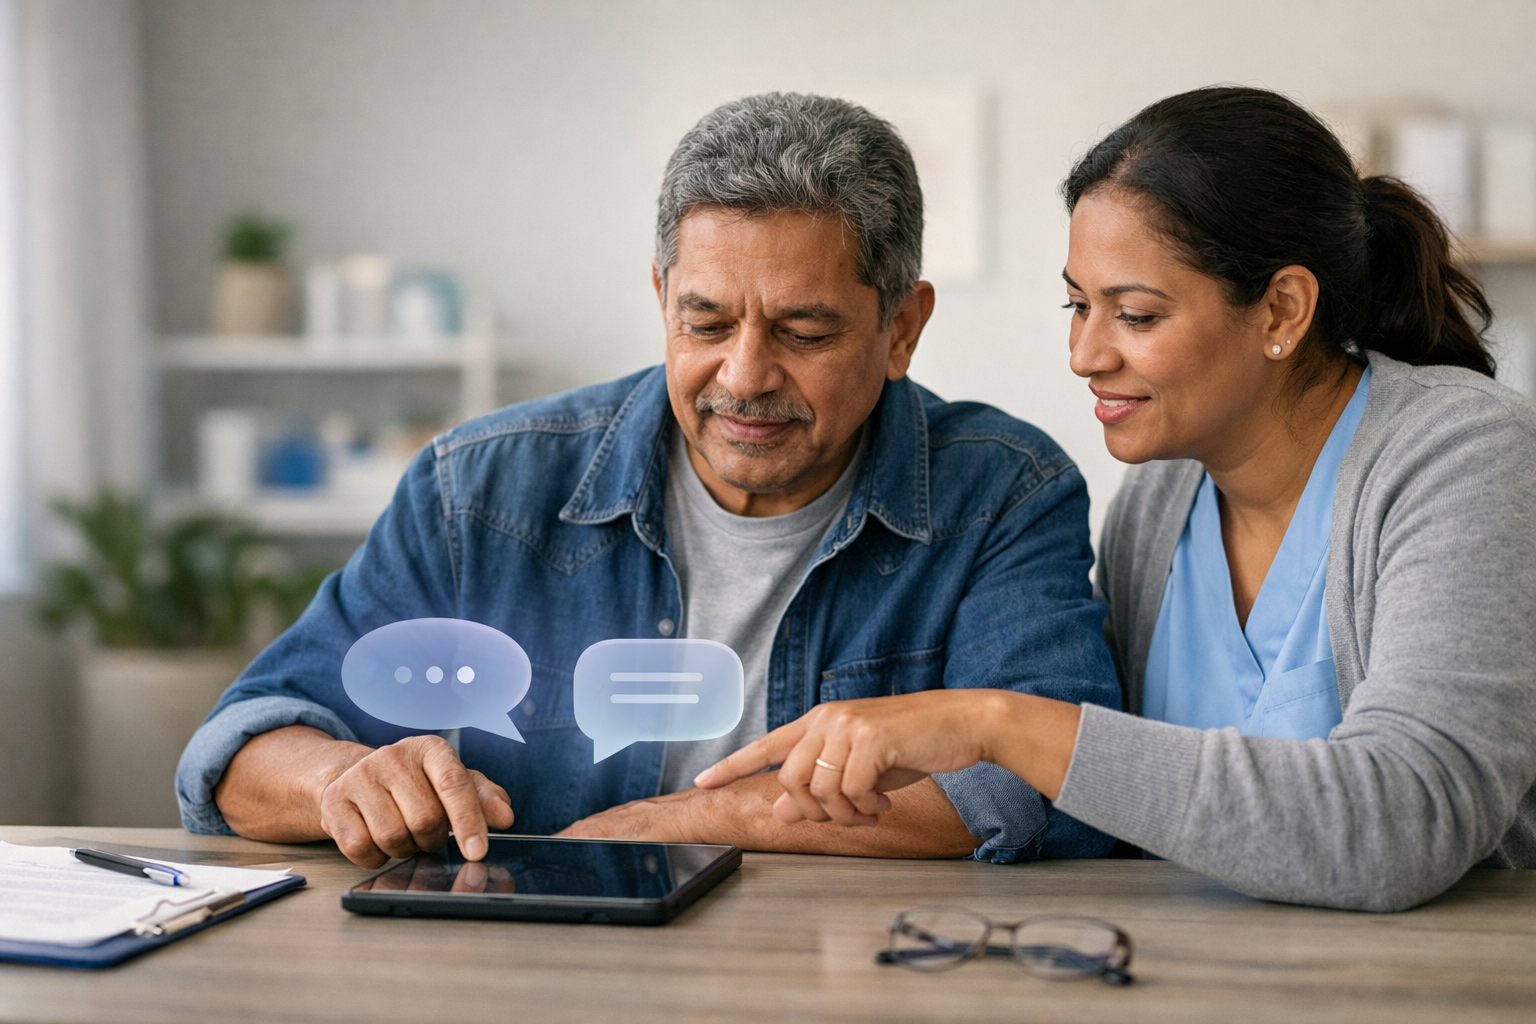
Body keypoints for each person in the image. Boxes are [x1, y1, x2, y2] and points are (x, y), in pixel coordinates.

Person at [176, 92, 1122, 869]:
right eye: (704, 324)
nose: (745, 376)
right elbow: (242, 748)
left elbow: (1045, 777)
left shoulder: (1004, 491)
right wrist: (341, 777)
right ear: (660, 297)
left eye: (804, 332)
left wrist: (671, 827)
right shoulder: (481, 491)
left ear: (902, 330)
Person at [699, 86, 1536, 912]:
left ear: (1282, 308)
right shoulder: (1160, 497)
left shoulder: (1464, 456)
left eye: (1134, 315)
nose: (1084, 354)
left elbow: (1405, 821)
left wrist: (999, 723)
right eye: (1077, 304)